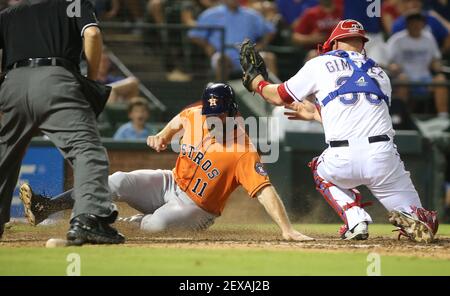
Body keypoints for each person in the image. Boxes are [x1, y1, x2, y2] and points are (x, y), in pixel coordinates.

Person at [19, 83, 314, 242]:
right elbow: (180, 118)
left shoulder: (243, 150)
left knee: (154, 227)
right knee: (116, 180)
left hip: (196, 209)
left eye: (219, 115)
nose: (212, 119)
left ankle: (113, 226)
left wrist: (286, 229)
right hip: (171, 181)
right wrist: (163, 134)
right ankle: (47, 207)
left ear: (233, 112)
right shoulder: (198, 113)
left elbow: (264, 191)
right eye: (210, 113)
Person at [239, 19, 439, 242]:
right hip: (384, 157)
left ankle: (355, 220)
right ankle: (416, 218)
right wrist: (316, 114)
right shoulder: (381, 75)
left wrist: (256, 82)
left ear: (334, 44)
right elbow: (361, 117)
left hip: (341, 158)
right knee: (414, 213)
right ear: (362, 45)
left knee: (320, 170)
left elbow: (277, 96)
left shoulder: (320, 63)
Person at [0, 0, 124, 245]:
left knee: (6, 154)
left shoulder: (8, 14)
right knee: (87, 150)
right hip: (55, 79)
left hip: (12, 82)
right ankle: (88, 219)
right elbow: (92, 33)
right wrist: (91, 78)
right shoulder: (73, 4)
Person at [189, 0, 276, 81]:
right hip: (223, 54)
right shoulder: (211, 14)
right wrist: (207, 45)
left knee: (267, 57)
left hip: (248, 55)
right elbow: (194, 35)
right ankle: (221, 94)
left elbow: (270, 31)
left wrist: (260, 46)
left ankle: (274, 96)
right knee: (221, 59)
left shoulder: (251, 15)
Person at [387, 12, 448, 118]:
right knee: (402, 80)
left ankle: (443, 116)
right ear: (407, 24)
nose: (416, 24)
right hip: (406, 79)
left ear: (423, 24)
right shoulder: (397, 39)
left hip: (425, 79)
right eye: (412, 22)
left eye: (418, 22)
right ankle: (400, 117)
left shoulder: (429, 38)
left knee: (441, 79)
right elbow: (388, 61)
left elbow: (435, 59)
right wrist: (393, 67)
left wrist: (436, 65)